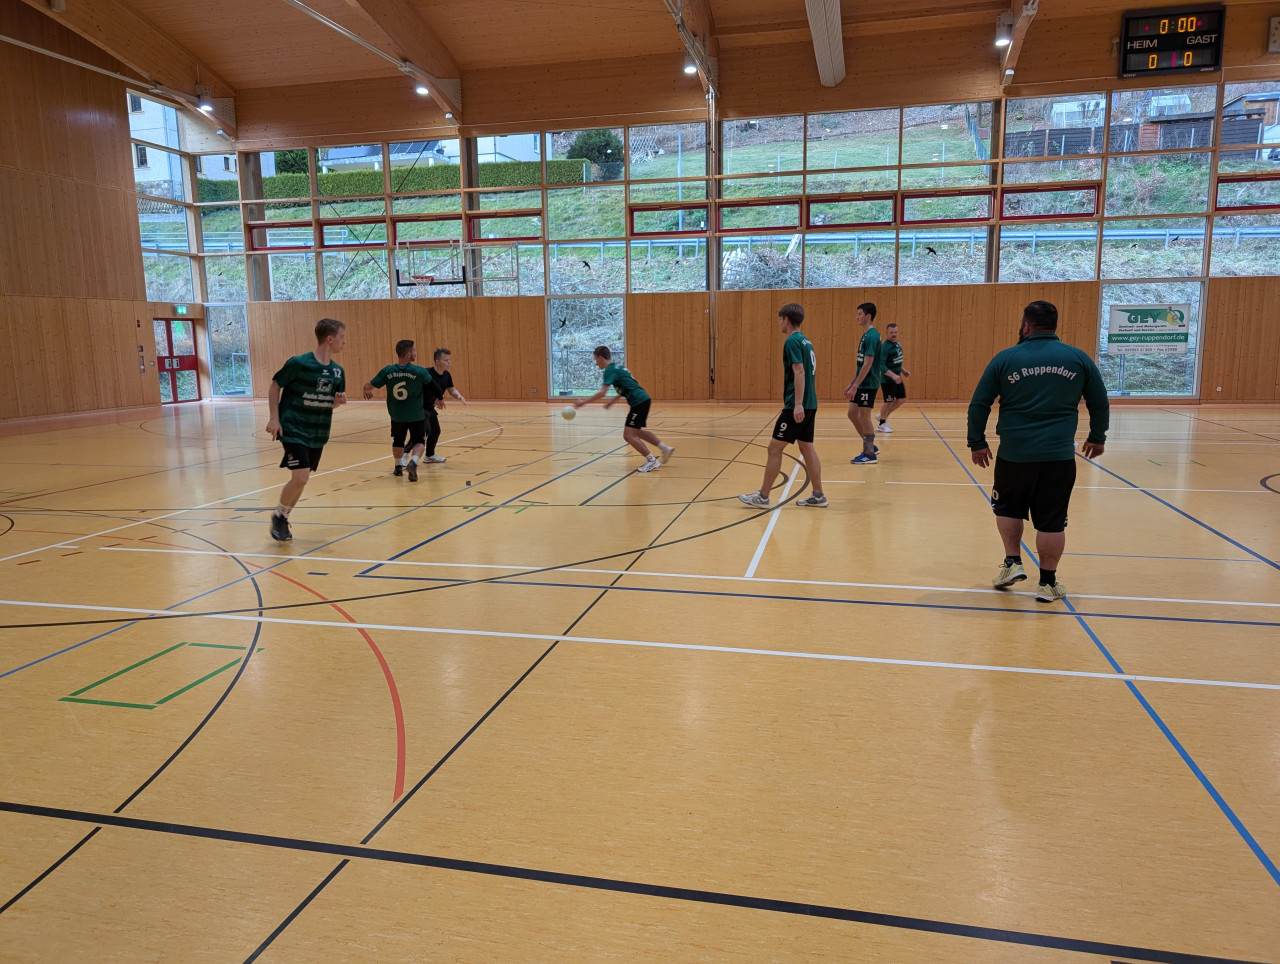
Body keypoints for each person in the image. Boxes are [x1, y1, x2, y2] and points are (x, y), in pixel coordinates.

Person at [967, 300, 1109, 603]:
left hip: (1014, 455)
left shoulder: (1006, 358)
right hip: (1058, 457)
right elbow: (1099, 401)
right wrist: (1097, 437)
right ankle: (1047, 583)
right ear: (1054, 325)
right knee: (1052, 520)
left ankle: (1012, 562)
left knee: (1007, 508)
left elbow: (979, 403)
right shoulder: (1077, 358)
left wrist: (976, 442)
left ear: (1026, 325)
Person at [265, 317, 347, 542]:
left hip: (318, 433)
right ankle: (279, 517)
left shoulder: (337, 372)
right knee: (300, 477)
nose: (344, 342)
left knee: (303, 479)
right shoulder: (299, 363)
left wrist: (337, 402)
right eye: (341, 337)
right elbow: (275, 385)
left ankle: (283, 516)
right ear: (329, 339)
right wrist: (274, 418)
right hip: (293, 428)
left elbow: (330, 403)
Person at [739, 303, 826, 508]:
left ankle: (763, 496)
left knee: (774, 448)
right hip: (811, 403)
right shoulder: (806, 341)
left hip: (798, 405)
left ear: (786, 320)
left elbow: (799, 371)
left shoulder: (792, 341)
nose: (779, 323)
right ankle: (818, 495)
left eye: (780, 319)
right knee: (806, 447)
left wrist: (797, 404)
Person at [575, 346, 674, 472]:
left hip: (638, 402)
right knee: (636, 432)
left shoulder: (609, 370)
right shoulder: (619, 368)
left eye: (595, 360)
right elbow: (629, 386)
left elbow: (602, 393)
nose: (596, 363)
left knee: (628, 435)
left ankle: (652, 460)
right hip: (643, 399)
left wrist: (583, 403)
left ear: (600, 358)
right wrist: (613, 401)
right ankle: (664, 448)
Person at [362, 339, 440, 483]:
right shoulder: (418, 371)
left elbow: (369, 385)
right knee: (419, 441)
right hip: (416, 415)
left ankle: (398, 467)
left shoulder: (388, 371)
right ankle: (413, 463)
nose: (415, 353)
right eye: (414, 350)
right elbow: (434, 386)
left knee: (398, 441)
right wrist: (439, 398)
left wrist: (366, 390)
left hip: (396, 415)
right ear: (409, 354)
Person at [843, 302, 883, 464]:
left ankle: (869, 454)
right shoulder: (866, 335)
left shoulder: (872, 336)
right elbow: (861, 364)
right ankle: (870, 446)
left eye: (860, 314)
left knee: (864, 417)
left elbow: (868, 364)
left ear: (868, 316)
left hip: (868, 383)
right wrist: (851, 383)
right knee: (852, 413)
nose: (857, 317)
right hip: (861, 382)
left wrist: (855, 386)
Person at [423, 348, 466, 464]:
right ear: (437, 361)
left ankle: (429, 456)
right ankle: (404, 456)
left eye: (449, 360)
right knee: (423, 432)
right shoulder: (426, 373)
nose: (449, 362)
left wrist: (459, 396)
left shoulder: (447, 375)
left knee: (435, 431)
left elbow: (451, 389)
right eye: (446, 360)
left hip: (429, 408)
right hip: (419, 407)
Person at [876, 322, 911, 434]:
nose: (894, 334)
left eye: (895, 332)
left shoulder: (897, 343)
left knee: (901, 399)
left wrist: (902, 370)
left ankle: (883, 415)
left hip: (897, 378)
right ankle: (881, 425)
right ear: (886, 333)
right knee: (888, 401)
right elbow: (881, 365)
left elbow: (896, 360)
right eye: (891, 332)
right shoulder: (885, 347)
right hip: (888, 380)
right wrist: (893, 375)